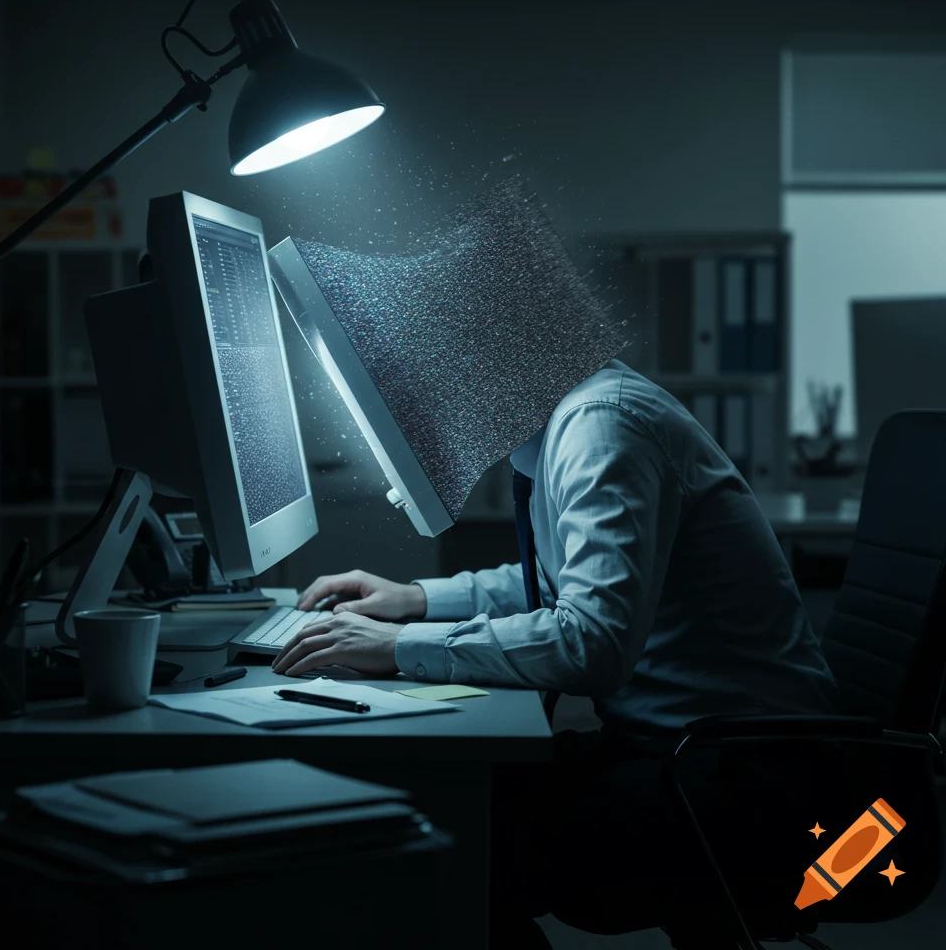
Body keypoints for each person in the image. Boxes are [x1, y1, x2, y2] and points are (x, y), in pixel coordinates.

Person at [272, 359, 838, 946]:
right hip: (693, 750)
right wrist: (416, 599)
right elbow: (566, 581)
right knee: (461, 805)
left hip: (748, 780)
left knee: (449, 844)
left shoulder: (602, 427)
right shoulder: (570, 417)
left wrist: (400, 647)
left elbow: (593, 642)